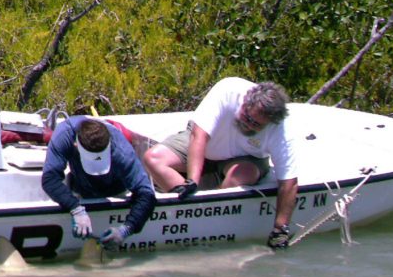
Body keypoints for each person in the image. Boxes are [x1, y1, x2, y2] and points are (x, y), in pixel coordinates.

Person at [142, 77, 298, 249]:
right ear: (246, 101)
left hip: (246, 158)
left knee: (240, 176)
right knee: (153, 158)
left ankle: (208, 214)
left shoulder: (282, 129)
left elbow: (288, 183)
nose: (248, 124)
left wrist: (280, 228)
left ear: (270, 123)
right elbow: (199, 136)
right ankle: (190, 207)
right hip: (204, 144)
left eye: (256, 124)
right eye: (246, 116)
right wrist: (192, 180)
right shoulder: (229, 90)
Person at [42, 117, 156, 251]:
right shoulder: (64, 135)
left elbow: (147, 194)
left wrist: (125, 230)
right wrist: (75, 209)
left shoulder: (121, 150)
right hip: (80, 186)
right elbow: (49, 179)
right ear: (76, 145)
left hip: (115, 187)